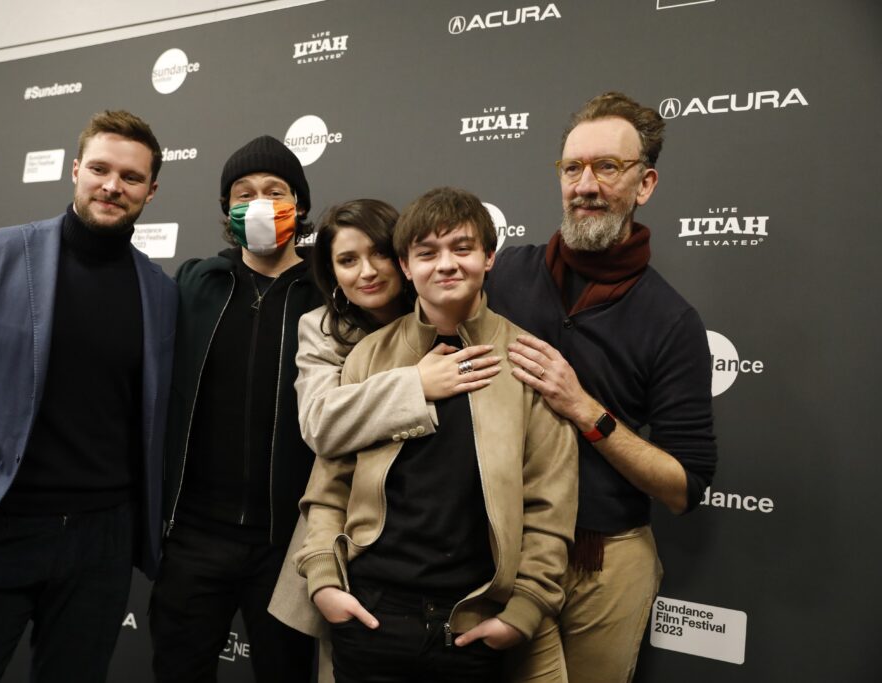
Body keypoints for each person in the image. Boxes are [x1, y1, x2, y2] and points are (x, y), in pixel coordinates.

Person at [0, 110, 177, 683]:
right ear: (75, 170)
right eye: (99, 169)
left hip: (101, 542)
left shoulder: (159, 291)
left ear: (151, 191)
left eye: (130, 177)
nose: (112, 185)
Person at [297, 187, 578, 683]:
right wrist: (324, 580)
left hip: (470, 624)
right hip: (370, 617)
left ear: (489, 257)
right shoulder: (368, 355)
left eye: (462, 248)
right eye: (427, 253)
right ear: (406, 266)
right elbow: (329, 485)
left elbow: (549, 505)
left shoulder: (526, 359)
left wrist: (524, 610)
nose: (445, 265)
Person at [486, 92, 718, 683]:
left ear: (645, 185)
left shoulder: (671, 320)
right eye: (572, 169)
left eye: (607, 168)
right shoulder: (506, 273)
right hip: (501, 549)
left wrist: (586, 409)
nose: (585, 185)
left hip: (606, 563)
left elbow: (684, 486)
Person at [267, 198, 501, 682]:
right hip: (356, 556)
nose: (367, 272)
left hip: (453, 574)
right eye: (347, 261)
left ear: (401, 257)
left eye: (376, 254)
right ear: (331, 273)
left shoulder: (456, 313)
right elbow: (320, 425)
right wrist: (416, 385)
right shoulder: (322, 329)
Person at [151, 135, 319, 682]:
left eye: (276, 191)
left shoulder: (326, 293)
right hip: (195, 536)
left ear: (300, 203)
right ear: (227, 210)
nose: (260, 202)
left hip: (290, 543)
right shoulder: (194, 282)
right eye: (243, 193)